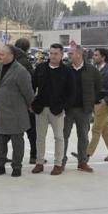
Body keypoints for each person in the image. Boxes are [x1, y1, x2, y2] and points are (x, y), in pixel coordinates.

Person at [0, 44, 35, 177]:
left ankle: (17, 167)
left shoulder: (21, 71)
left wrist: (32, 107)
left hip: (16, 113)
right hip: (1, 112)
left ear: (11, 56)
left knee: (17, 142)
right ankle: (0, 165)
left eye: (2, 54)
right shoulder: (0, 67)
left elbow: (28, 93)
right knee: (0, 142)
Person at [31, 43, 72, 175]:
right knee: (40, 137)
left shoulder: (66, 71)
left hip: (57, 110)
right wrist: (32, 103)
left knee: (59, 137)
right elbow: (32, 86)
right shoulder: (40, 68)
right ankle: (39, 162)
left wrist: (63, 107)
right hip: (41, 108)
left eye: (56, 54)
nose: (53, 56)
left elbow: (71, 92)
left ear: (61, 55)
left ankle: (58, 164)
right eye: (51, 53)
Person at [63, 44, 101, 173]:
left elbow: (98, 88)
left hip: (84, 110)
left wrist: (91, 103)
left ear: (79, 54)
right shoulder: (65, 69)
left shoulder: (92, 70)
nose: (69, 56)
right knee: (63, 136)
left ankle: (82, 162)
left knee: (83, 136)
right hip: (67, 110)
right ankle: (61, 161)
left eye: (71, 54)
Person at [82, 48, 108, 162]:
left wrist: (106, 100)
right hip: (94, 102)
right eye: (94, 55)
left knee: (96, 129)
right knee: (104, 130)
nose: (93, 57)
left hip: (103, 104)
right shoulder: (95, 69)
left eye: (96, 55)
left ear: (103, 57)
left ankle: (86, 154)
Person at [13, 37, 38, 164]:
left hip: (13, 100)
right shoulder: (25, 61)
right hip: (26, 100)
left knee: (13, 131)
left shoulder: (12, 58)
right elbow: (32, 80)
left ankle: (10, 155)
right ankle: (34, 155)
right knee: (32, 130)